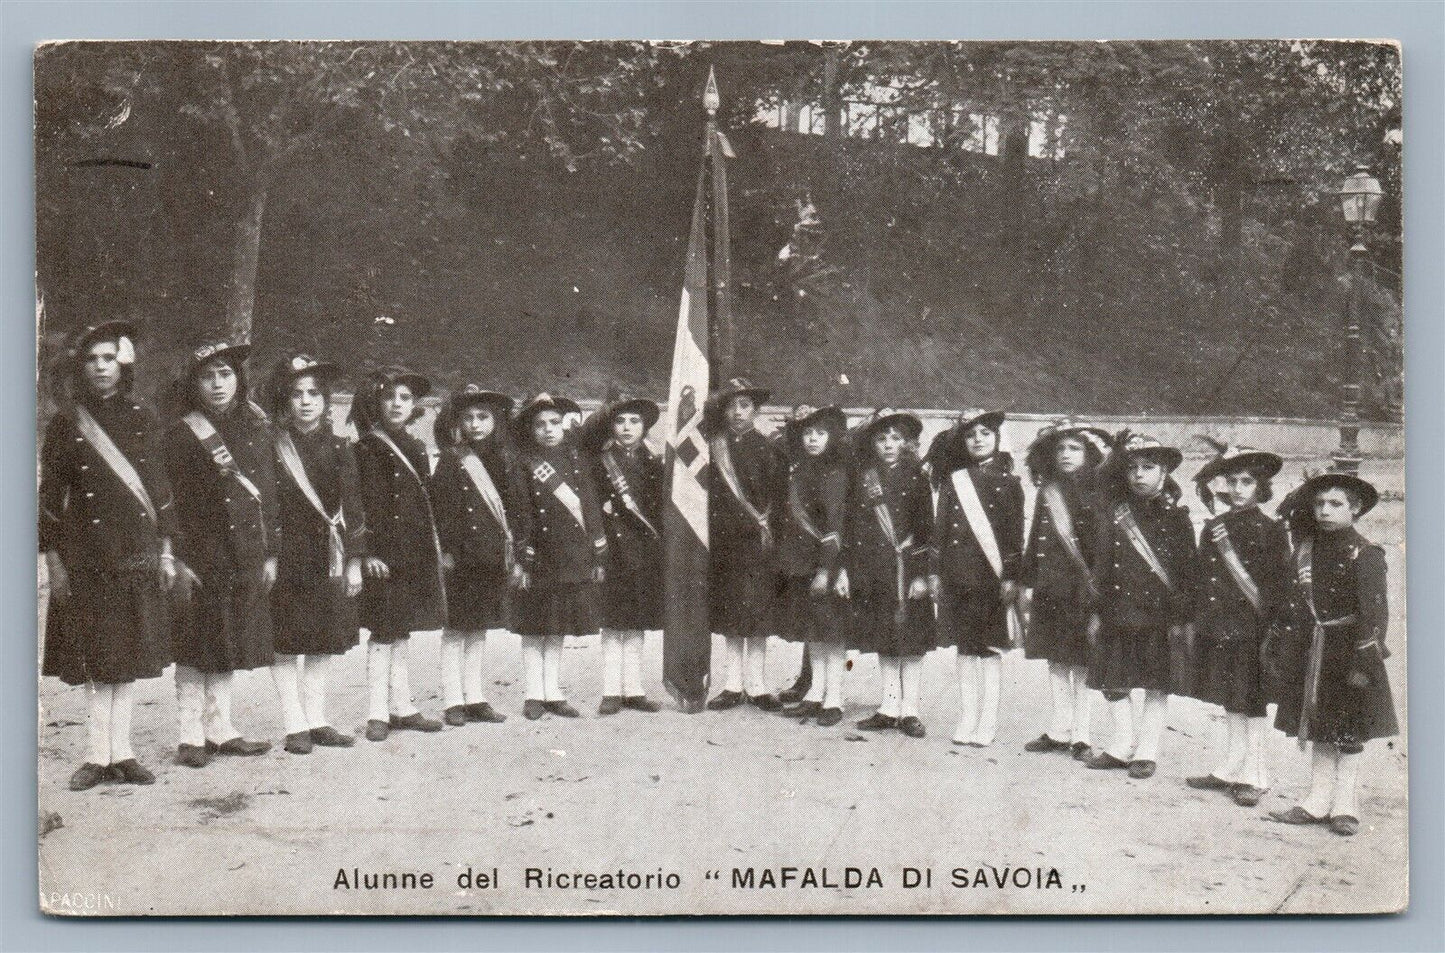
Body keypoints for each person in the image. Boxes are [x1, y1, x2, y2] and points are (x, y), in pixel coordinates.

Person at [41, 320, 177, 789]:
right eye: (92, 359)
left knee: (126, 656)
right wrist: (53, 558)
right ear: (82, 367)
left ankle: (125, 752)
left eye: (108, 358)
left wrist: (166, 549)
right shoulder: (67, 422)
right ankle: (98, 755)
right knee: (98, 657)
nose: (101, 367)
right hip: (86, 554)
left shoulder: (144, 416)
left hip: (134, 552)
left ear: (123, 363)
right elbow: (50, 494)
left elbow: (159, 489)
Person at [164, 338, 280, 767]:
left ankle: (221, 729)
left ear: (239, 379)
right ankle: (190, 736)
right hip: (198, 554)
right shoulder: (179, 433)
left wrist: (270, 554)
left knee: (227, 639)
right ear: (194, 384)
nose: (217, 385)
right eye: (208, 376)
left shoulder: (255, 428)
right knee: (195, 644)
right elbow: (166, 501)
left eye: (226, 374)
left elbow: (268, 495)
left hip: (243, 552)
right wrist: (173, 556)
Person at [1268, 471, 1397, 837]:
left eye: (1335, 504)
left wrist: (1363, 664)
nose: (1325, 510)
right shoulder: (1306, 547)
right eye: (1319, 503)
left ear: (1355, 509)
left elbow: (1375, 615)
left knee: (1349, 732)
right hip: (1313, 650)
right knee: (1320, 727)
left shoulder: (1365, 553)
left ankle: (1345, 806)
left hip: (1349, 654)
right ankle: (1316, 801)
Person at [265, 354, 366, 754]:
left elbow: (354, 507)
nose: (306, 401)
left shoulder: (341, 447)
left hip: (329, 554)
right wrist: (268, 554)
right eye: (296, 394)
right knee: (287, 641)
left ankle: (318, 719)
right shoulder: (271, 447)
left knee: (322, 640)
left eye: (314, 394)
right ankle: (294, 725)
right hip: (286, 553)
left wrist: (355, 561)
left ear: (326, 402)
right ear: (285, 401)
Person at [1084, 432, 1196, 779]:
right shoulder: (1115, 511)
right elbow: (1102, 563)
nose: (1139, 475)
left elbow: (1186, 571)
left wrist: (1181, 617)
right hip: (1116, 607)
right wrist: (1096, 608)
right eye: (1132, 468)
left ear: (1165, 474)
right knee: (1112, 681)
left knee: (1155, 683)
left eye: (1148, 467)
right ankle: (1121, 745)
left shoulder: (1177, 517)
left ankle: (1146, 751)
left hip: (1158, 613)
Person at [1184, 445, 1291, 806]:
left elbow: (1279, 585)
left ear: (1261, 487)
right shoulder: (1214, 528)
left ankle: (1256, 775)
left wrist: (1272, 632)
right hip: (1219, 626)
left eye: (1248, 481)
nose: (1240, 488)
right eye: (1233, 481)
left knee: (1253, 701)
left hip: (1253, 629)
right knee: (1231, 698)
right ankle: (1232, 767)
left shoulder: (1273, 529)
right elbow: (1201, 578)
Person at [353, 367, 446, 741]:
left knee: (403, 630)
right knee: (382, 633)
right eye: (389, 397)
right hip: (381, 557)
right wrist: (367, 552)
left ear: (414, 406)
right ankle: (377, 711)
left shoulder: (418, 448)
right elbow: (356, 504)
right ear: (376, 402)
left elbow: (423, 502)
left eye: (405, 398)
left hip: (413, 552)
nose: (396, 404)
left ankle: (403, 706)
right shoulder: (362, 448)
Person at [930, 409, 1025, 748]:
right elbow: (940, 531)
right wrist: (935, 572)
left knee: (989, 649)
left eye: (985, 433)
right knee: (965, 649)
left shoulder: (1009, 483)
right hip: (957, 576)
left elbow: (1014, 536)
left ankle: (987, 720)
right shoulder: (955, 481)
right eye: (971, 435)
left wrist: (1011, 576)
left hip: (991, 578)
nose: (978, 439)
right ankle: (967, 716)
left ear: (998, 439)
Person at [510, 393, 608, 720]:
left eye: (555, 423)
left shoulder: (577, 460)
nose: (548, 430)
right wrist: (523, 555)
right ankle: (533, 693)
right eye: (540, 425)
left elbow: (590, 505)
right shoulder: (524, 463)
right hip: (539, 553)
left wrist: (597, 550)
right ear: (530, 429)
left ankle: (552, 691)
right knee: (533, 626)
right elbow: (520, 512)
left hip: (572, 553)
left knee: (557, 626)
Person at [1019, 418, 1111, 760]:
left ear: (1089, 453)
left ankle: (1082, 735)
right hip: (1049, 588)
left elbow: (1102, 548)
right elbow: (1036, 540)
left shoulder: (1099, 492)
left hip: (1081, 590)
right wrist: (1028, 581)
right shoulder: (1049, 491)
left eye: (1075, 448)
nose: (1066, 454)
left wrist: (1098, 590)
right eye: (1060, 448)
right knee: (1056, 660)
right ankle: (1060, 730)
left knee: (1082, 663)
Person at [839, 410, 934, 738]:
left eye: (895, 438)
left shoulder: (917, 477)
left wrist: (922, 576)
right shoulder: (865, 477)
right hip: (874, 569)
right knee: (885, 639)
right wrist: (851, 570)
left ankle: (910, 710)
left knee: (911, 642)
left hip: (906, 570)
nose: (889, 445)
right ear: (872, 443)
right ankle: (889, 706)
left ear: (907, 442)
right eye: (881, 439)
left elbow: (925, 531)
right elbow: (853, 526)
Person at [430, 384, 515, 727]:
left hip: (492, 555)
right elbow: (440, 508)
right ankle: (453, 699)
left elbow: (514, 507)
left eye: (483, 417)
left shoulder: (506, 458)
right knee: (455, 629)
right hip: (461, 555)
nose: (476, 424)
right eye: (468, 418)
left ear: (496, 421)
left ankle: (475, 696)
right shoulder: (452, 459)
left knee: (479, 628)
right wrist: (446, 551)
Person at [704, 378, 784, 712]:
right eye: (731, 406)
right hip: (725, 544)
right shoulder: (712, 448)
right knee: (732, 615)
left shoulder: (770, 448)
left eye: (745, 406)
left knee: (758, 615)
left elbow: (779, 498)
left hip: (759, 544)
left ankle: (758, 685)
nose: (737, 413)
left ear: (755, 410)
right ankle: (732, 684)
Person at [584, 396, 665, 716]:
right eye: (620, 422)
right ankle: (610, 690)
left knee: (636, 622)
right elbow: (591, 506)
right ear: (611, 427)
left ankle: (633, 689)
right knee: (613, 622)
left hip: (645, 550)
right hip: (614, 550)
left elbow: (659, 509)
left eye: (634, 422)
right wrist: (598, 546)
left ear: (644, 428)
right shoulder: (600, 462)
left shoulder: (653, 462)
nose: (627, 428)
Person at [773, 405, 849, 726]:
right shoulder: (800, 470)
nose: (813, 439)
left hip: (825, 564)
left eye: (819, 433)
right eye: (807, 434)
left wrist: (825, 570)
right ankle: (815, 693)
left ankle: (835, 698)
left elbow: (835, 526)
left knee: (832, 633)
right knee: (814, 632)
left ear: (831, 437)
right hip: (801, 563)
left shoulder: (835, 473)